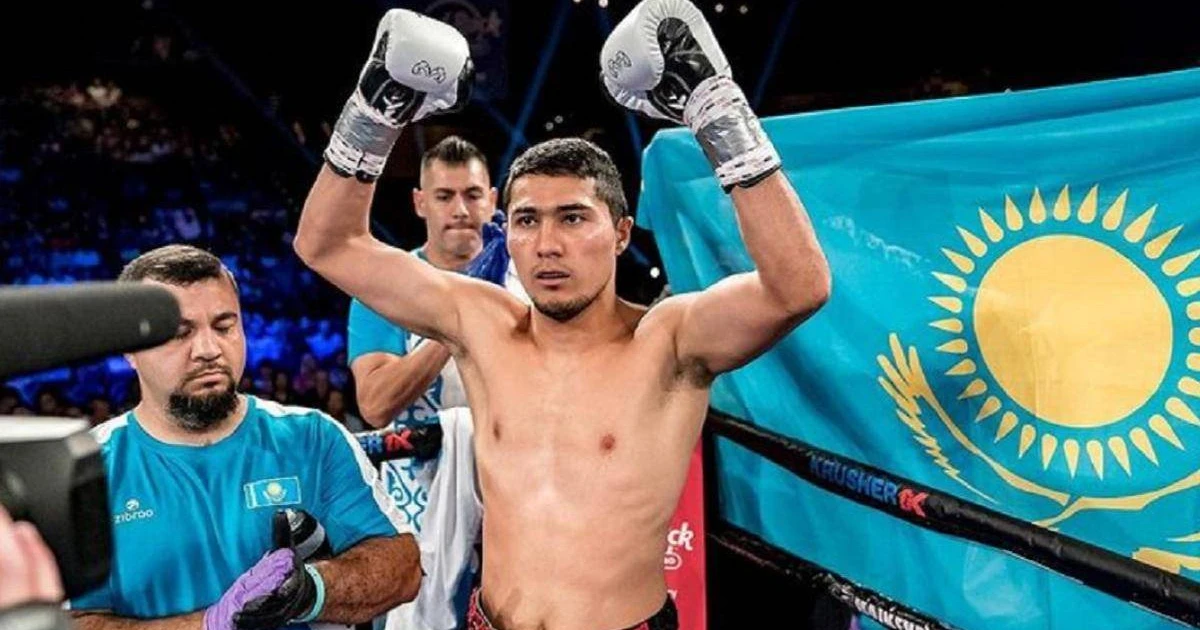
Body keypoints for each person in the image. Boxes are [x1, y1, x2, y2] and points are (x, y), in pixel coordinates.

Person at [295, 2, 830, 629]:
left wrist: (717, 108)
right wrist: (375, 109)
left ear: (621, 232)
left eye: (573, 218)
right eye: (527, 220)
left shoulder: (668, 340)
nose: (547, 245)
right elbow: (326, 244)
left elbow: (798, 286)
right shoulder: (482, 322)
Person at [67, 244, 423, 630]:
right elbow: (71, 622)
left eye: (224, 327)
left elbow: (402, 568)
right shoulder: (88, 471)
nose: (208, 350)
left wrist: (311, 590)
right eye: (179, 333)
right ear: (129, 348)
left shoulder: (313, 437)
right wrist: (207, 625)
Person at [347, 135, 527, 630]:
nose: (461, 210)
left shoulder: (530, 283)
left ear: (493, 199)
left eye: (473, 194)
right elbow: (375, 403)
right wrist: (461, 314)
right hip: (419, 505)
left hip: (518, 503)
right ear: (420, 202)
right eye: (445, 196)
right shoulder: (389, 288)